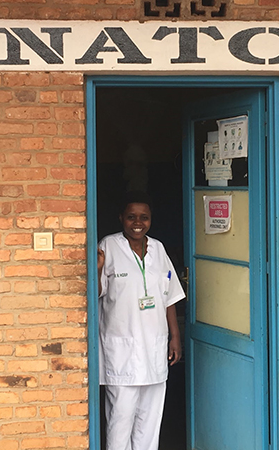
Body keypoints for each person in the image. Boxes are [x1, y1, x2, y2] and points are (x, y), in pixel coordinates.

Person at [97, 192, 185, 450]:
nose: (138, 222)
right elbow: (95, 293)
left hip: (155, 347)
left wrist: (175, 337)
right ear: (121, 218)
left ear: (150, 219)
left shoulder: (158, 249)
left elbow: (169, 295)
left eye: (144, 217)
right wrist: (99, 267)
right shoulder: (109, 246)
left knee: (150, 417)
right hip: (121, 349)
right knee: (120, 417)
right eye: (132, 217)